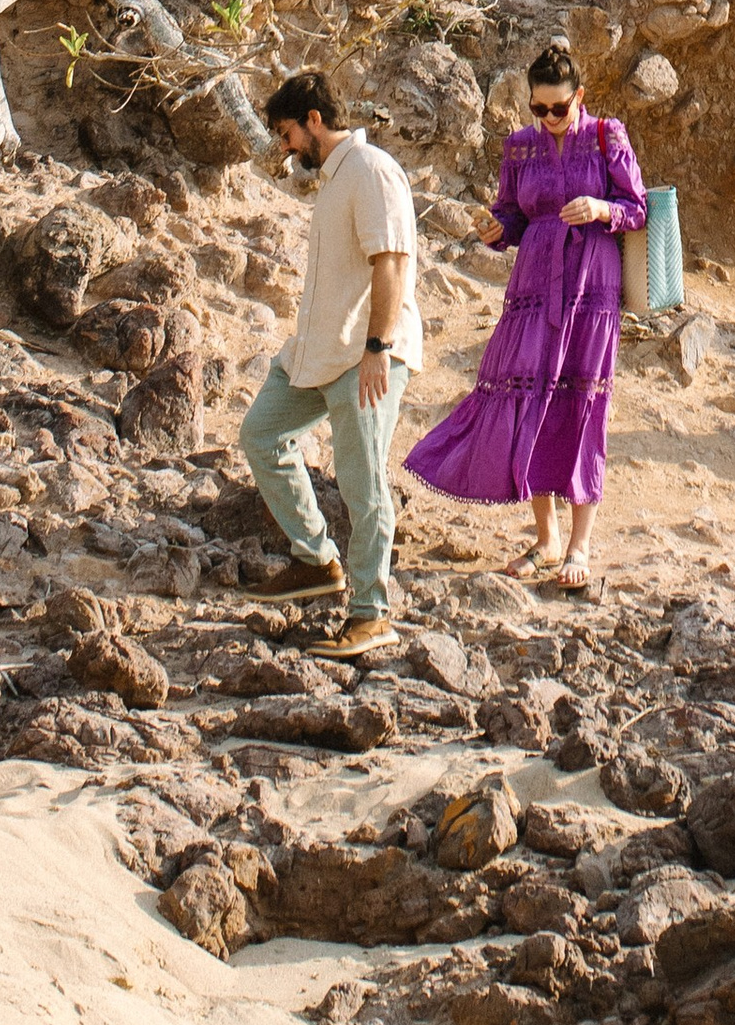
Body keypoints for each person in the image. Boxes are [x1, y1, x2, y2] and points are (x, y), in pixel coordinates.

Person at [403, 43, 645, 595]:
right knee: (529, 396)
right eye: (538, 109)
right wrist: (495, 232)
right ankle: (546, 538)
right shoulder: (519, 148)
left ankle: (580, 544)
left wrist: (602, 209)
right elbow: (510, 215)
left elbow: (638, 207)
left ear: (578, 97)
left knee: (585, 402)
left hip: (592, 288)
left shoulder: (608, 136)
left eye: (557, 108)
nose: (548, 120)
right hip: (534, 287)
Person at [239, 68, 423, 660]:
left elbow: (390, 262)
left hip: (364, 355)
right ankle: (317, 561)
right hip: (318, 353)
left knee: (363, 480)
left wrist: (378, 350)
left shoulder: (370, 170)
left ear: (314, 120)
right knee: (262, 435)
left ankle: (371, 614)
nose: (287, 148)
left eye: (288, 133)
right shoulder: (338, 178)